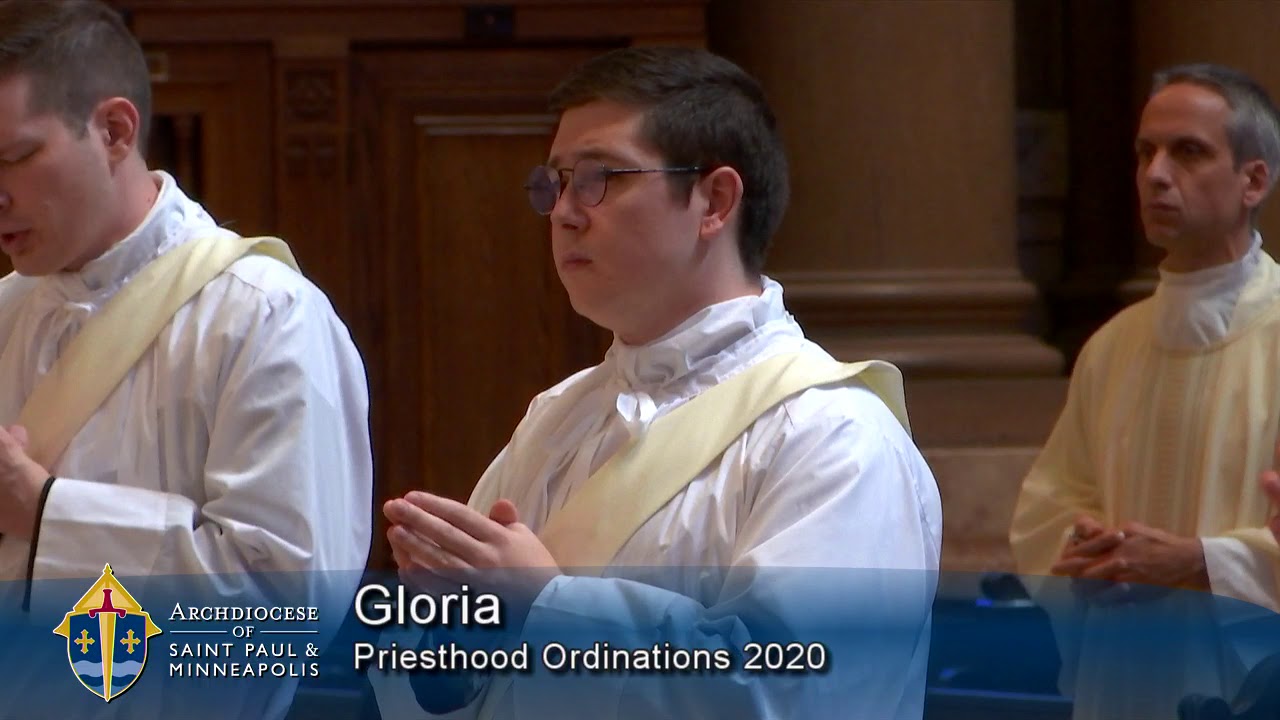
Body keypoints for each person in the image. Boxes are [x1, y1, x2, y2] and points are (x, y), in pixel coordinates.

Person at [368, 46, 942, 720]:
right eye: (553, 183)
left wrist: (546, 607)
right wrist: (450, 633)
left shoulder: (831, 435)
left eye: (598, 178)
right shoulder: (558, 417)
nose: (564, 213)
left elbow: (796, 694)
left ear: (714, 200)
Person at [0, 0, 372, 715]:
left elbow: (287, 608)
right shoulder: (9, 312)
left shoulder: (264, 315)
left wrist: (49, 513)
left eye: (15, 157)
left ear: (113, 130)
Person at [1009, 63, 1280, 719]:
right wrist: (1085, 556)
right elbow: (1052, 505)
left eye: (1188, 151)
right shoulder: (1113, 346)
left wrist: (1203, 562)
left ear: (1254, 180)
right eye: (1145, 152)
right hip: (1123, 670)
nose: (1156, 174)